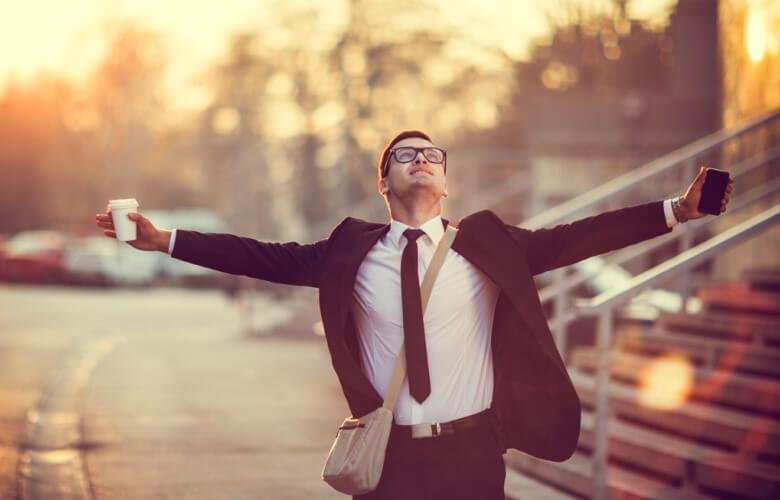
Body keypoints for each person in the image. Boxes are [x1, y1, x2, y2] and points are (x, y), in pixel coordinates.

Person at [95, 130, 733, 499]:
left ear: (447, 183)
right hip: (387, 458)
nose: (421, 159)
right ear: (384, 184)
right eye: (405, 155)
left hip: (473, 453)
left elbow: (579, 237)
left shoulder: (488, 243)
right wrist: (166, 239)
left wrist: (677, 209)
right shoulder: (352, 248)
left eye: (432, 155)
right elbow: (264, 257)